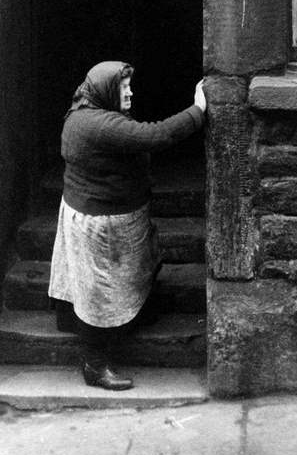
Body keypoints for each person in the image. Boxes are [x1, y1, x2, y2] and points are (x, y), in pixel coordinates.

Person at [48, 60, 206, 391]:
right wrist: (198, 110)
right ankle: (94, 364)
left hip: (110, 216)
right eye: (123, 87)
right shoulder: (99, 125)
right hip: (100, 223)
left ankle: (130, 317)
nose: (130, 91)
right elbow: (156, 135)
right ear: (106, 91)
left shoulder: (83, 114)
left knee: (130, 274)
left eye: (129, 86)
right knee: (98, 292)